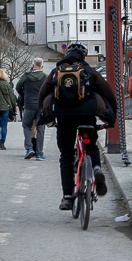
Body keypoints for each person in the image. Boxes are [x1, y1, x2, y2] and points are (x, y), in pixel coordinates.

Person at [38, 43, 118, 211]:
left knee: (66, 155)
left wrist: (44, 115)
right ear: (83, 57)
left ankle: (67, 197)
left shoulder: (56, 71)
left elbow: (43, 93)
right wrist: (112, 118)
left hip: (63, 116)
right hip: (86, 114)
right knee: (91, 145)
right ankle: (96, 169)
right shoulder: (88, 71)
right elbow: (108, 93)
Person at [16, 58, 47, 160]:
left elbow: (18, 87)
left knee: (27, 126)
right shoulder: (45, 77)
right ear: (42, 66)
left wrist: (24, 94)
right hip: (40, 106)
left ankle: (29, 148)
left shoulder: (26, 76)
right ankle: (39, 153)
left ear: (33, 65)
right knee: (40, 128)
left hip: (29, 105)